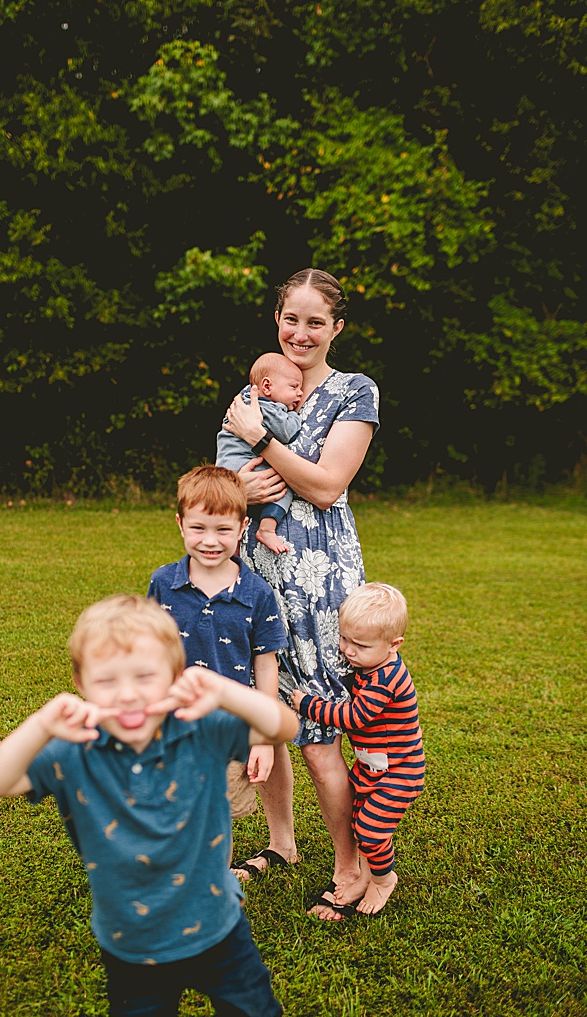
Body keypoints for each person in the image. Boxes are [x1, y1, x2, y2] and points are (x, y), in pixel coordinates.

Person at [0, 595, 298, 1017]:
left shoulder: (202, 726)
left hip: (217, 925)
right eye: (107, 681)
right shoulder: (74, 751)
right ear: (80, 684)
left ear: (174, 675)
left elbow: (284, 726)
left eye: (144, 677)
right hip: (133, 944)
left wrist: (221, 689)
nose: (127, 694)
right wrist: (42, 723)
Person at [221, 268, 379, 921]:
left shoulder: (354, 392)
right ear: (277, 320)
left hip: (320, 580)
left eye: (316, 321)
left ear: (336, 327)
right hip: (257, 573)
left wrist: (261, 443)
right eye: (292, 319)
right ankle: (282, 843)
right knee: (269, 716)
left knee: (319, 732)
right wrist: (240, 486)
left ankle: (352, 867)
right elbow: (226, 482)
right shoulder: (252, 390)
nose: (301, 333)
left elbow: (325, 485)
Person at [146, 466, 292, 885]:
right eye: (198, 528)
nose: (210, 541)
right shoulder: (162, 584)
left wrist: (263, 737)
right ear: (180, 524)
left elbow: (267, 666)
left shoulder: (257, 594)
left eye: (224, 530)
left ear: (244, 527)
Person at [290, 583, 423, 917]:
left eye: (360, 645)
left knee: (369, 828)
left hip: (399, 771)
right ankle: (367, 872)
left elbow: (352, 717)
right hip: (371, 767)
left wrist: (308, 704)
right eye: (345, 639)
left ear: (394, 645)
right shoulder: (367, 667)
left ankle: (383, 879)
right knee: (359, 824)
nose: (348, 651)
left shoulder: (386, 680)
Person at [215, 354, 305, 555]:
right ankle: (267, 528)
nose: (300, 393)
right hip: (245, 464)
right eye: (294, 387)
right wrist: (295, 415)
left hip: (226, 468)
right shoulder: (267, 407)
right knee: (283, 486)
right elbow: (287, 431)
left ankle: (230, 541)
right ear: (267, 386)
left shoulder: (242, 401)